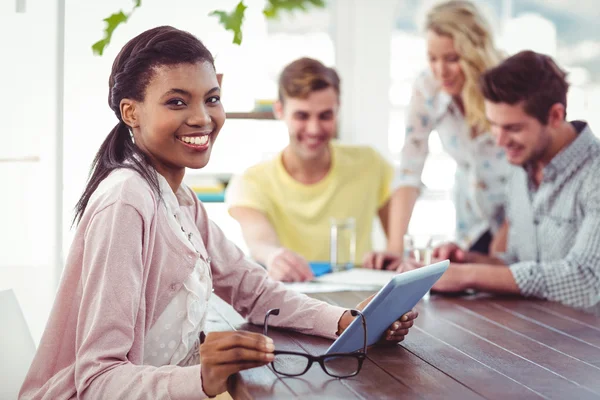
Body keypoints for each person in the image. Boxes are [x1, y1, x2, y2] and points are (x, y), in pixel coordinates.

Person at [19, 27, 418, 400]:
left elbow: (255, 291)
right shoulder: (126, 200)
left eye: (211, 98)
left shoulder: (181, 200)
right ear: (131, 112)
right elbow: (96, 380)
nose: (203, 118)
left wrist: (345, 320)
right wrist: (202, 378)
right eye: (177, 101)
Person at [416, 50, 600, 311]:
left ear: (555, 116)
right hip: (534, 335)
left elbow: (587, 281)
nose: (500, 141)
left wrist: (468, 276)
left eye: (513, 128)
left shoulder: (595, 172)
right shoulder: (520, 166)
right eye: (494, 125)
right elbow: (518, 264)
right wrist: (467, 262)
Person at [364, 0, 511, 270]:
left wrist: (500, 248)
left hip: (520, 221)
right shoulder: (427, 88)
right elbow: (409, 169)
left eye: (452, 59)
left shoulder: (507, 82)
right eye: (432, 58)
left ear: (475, 53)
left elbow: (527, 172)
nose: (440, 70)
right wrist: (395, 248)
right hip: (472, 225)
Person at [226, 57, 398, 282]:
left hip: (362, 299)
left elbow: (396, 241)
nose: (314, 129)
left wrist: (392, 256)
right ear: (280, 110)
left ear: (338, 110)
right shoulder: (251, 181)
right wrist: (274, 257)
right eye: (302, 115)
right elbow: (261, 243)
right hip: (292, 301)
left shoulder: (370, 163)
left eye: (325, 115)